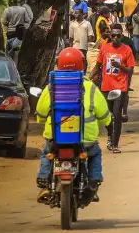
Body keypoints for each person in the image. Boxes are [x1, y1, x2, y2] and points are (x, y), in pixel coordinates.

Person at [35, 48, 112, 201]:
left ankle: (43, 180)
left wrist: (42, 120)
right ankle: (94, 181)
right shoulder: (90, 88)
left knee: (47, 152)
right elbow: (103, 114)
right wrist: (109, 124)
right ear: (82, 65)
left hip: (56, 138)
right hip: (85, 140)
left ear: (58, 64)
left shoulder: (51, 85)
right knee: (95, 154)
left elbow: (41, 112)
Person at [91, 25, 135, 152]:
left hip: (120, 88)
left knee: (117, 115)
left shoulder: (126, 50)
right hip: (106, 87)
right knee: (108, 116)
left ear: (122, 37)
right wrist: (88, 78)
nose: (115, 38)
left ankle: (115, 144)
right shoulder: (104, 48)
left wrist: (120, 66)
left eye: (118, 36)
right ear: (110, 36)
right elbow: (98, 65)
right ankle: (110, 136)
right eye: (113, 35)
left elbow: (130, 70)